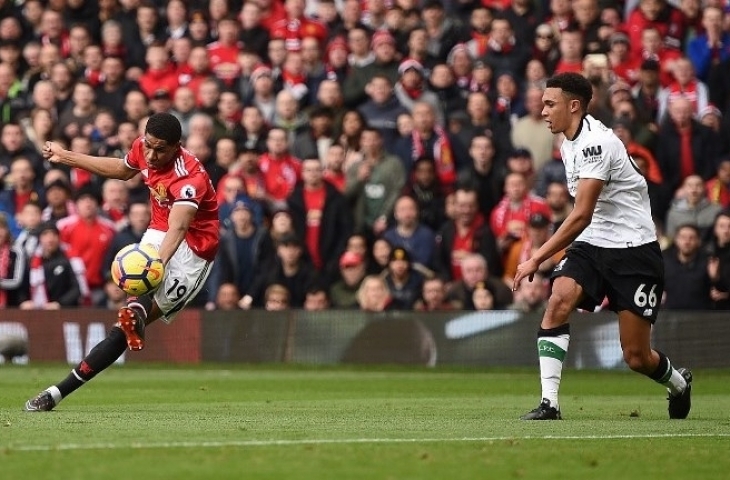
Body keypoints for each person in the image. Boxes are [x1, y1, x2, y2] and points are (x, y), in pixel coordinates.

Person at [512, 73, 692, 421]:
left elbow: (580, 215)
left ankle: (679, 384)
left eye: (550, 103)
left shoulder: (597, 144)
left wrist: (536, 257)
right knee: (558, 300)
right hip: (593, 243)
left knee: (637, 357)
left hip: (634, 249)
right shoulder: (567, 144)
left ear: (574, 105)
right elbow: (586, 222)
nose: (543, 110)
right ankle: (550, 404)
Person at [25, 112, 219, 412]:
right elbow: (121, 168)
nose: (151, 155)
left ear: (177, 146)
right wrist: (66, 156)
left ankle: (137, 315)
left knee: (124, 324)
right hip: (160, 228)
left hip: (195, 250)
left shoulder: (188, 178)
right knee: (125, 325)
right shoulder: (144, 147)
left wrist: (156, 266)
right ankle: (57, 392)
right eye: (149, 146)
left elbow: (180, 228)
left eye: (161, 150)